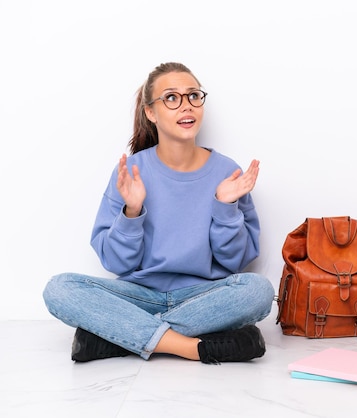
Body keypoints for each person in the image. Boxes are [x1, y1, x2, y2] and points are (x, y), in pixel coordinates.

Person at [42, 62, 275, 364]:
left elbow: (236, 260)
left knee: (257, 290)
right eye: (171, 98)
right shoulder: (132, 171)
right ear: (151, 112)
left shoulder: (227, 172)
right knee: (60, 289)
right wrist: (132, 211)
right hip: (139, 297)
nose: (186, 106)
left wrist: (225, 206)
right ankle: (190, 347)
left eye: (193, 96)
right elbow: (114, 262)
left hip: (202, 298)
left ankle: (117, 339)